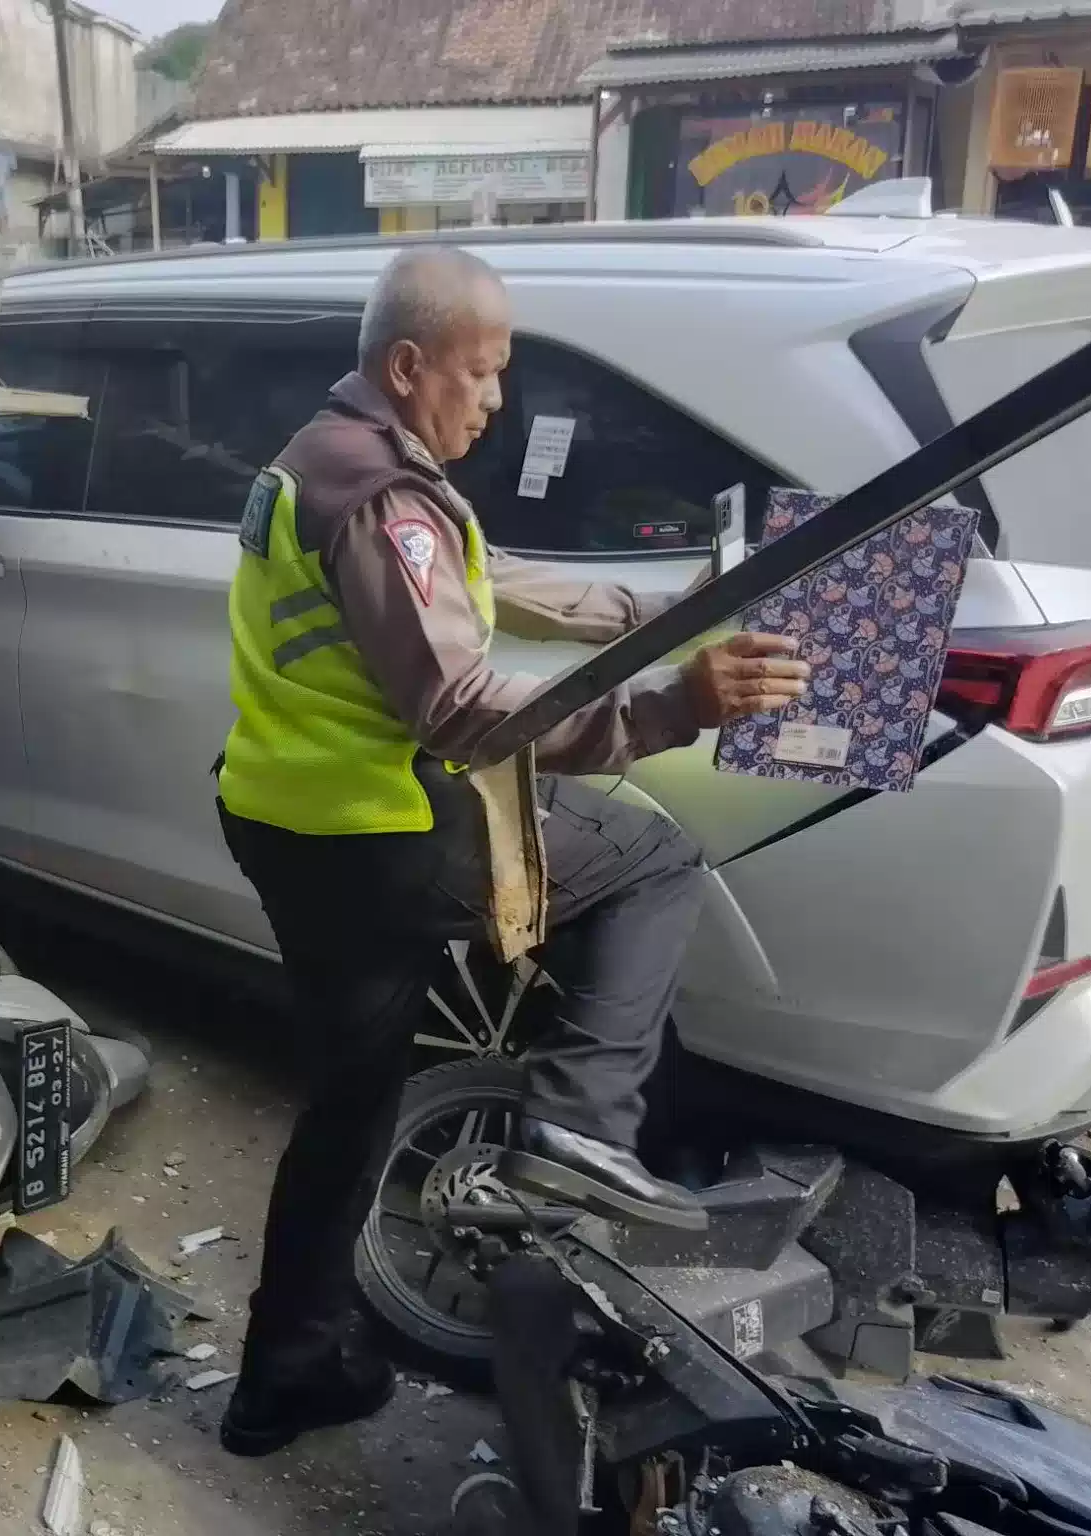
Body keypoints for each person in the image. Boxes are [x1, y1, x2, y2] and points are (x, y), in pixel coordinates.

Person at [212, 246, 810, 1458]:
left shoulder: (334, 456)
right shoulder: (386, 496)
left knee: (350, 1102)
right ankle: (574, 1134)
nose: (493, 400)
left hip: (286, 816)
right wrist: (669, 710)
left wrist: (654, 619)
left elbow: (484, 585)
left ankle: (285, 1371)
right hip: (375, 829)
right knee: (650, 864)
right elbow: (465, 707)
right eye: (480, 375)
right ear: (408, 364)